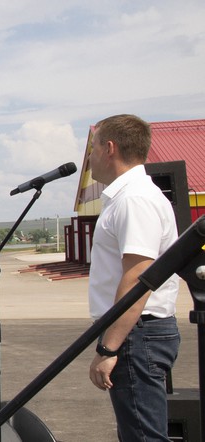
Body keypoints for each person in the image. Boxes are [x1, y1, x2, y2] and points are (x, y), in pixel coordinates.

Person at [86, 114, 181, 441]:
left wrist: (109, 348)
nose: (90, 158)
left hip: (137, 333)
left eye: (93, 148)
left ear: (109, 148)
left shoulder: (134, 200)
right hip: (137, 331)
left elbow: (139, 277)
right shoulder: (130, 197)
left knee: (144, 436)